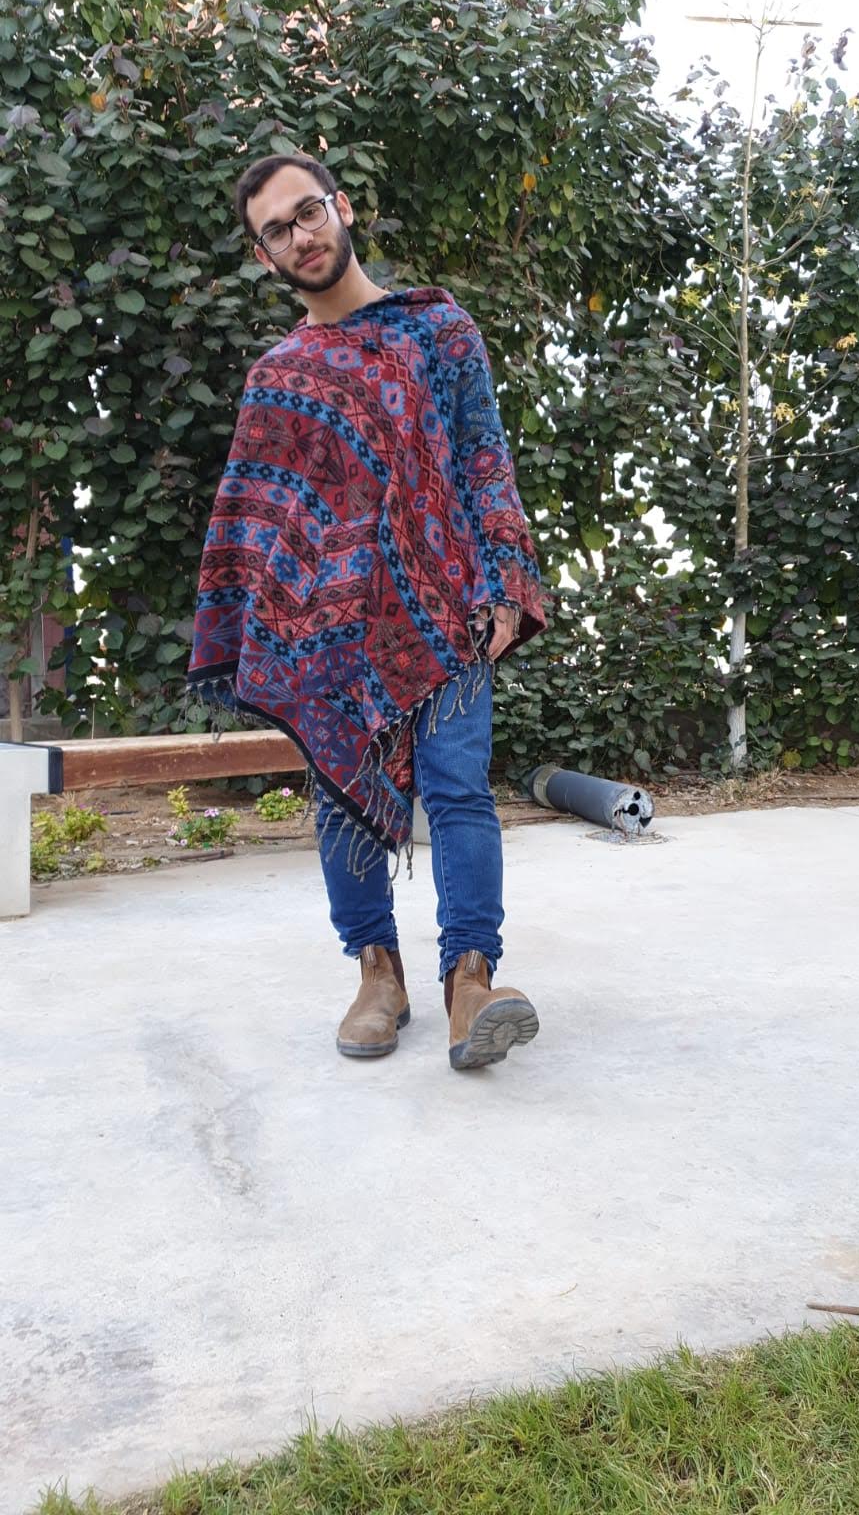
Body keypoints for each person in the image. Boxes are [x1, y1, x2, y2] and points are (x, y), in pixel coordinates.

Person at [187, 151, 546, 1071]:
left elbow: (483, 459)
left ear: (341, 208)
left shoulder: (439, 330)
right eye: (275, 231)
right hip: (333, 623)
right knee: (341, 792)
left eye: (307, 212)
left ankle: (471, 981)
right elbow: (259, 517)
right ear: (264, 256)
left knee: (459, 787)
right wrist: (266, 622)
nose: (299, 237)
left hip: (449, 601)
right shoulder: (279, 377)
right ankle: (377, 975)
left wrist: (508, 576)